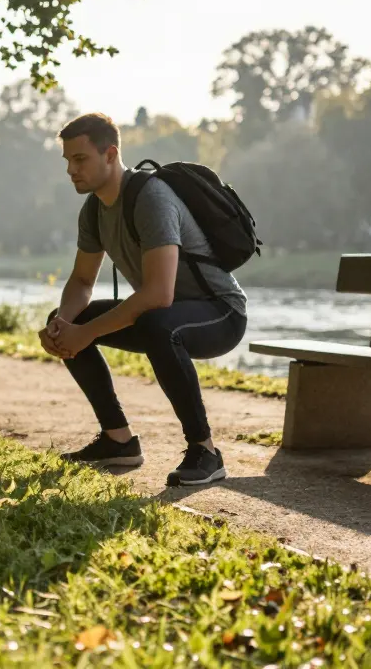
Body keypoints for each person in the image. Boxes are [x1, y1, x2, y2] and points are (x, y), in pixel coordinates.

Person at [41, 113, 248, 487]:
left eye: (80, 159)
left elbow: (158, 293)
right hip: (164, 316)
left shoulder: (151, 197)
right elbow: (83, 279)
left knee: (156, 323)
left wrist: (84, 333)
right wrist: (63, 326)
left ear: (110, 154)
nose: (71, 169)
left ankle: (206, 451)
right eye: (68, 160)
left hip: (219, 313)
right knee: (70, 317)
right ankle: (118, 440)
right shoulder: (94, 209)